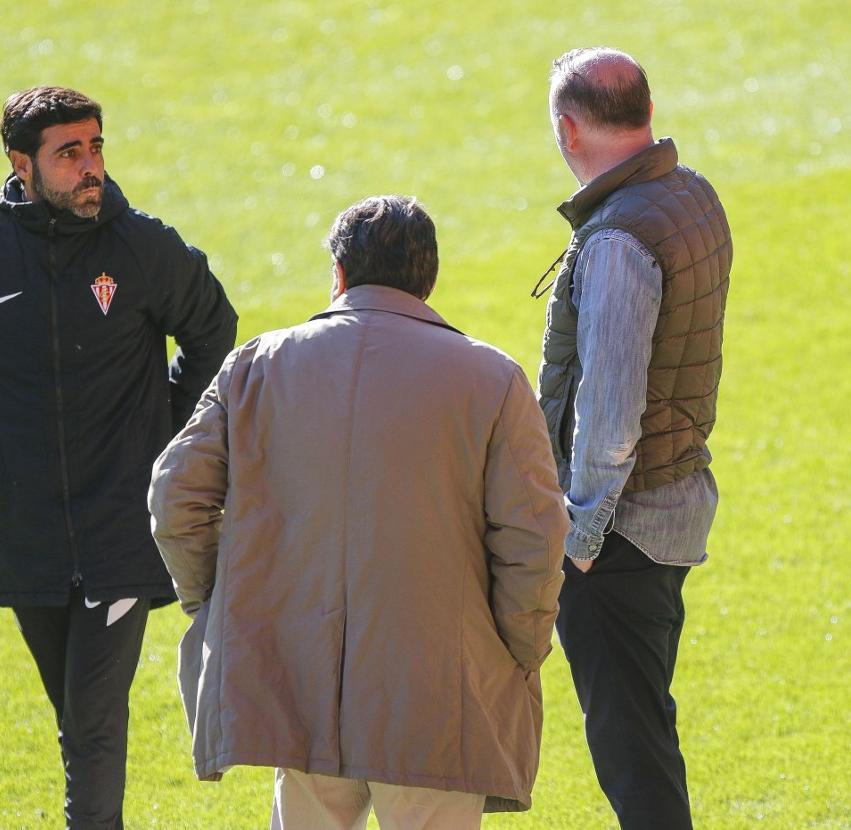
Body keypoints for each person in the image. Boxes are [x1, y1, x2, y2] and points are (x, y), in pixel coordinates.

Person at [148, 195, 568, 830]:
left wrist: (226, 601)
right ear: (428, 280)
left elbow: (174, 499)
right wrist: (515, 651)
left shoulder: (256, 366)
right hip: (439, 696)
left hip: (297, 677)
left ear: (338, 274)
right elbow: (535, 541)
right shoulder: (493, 379)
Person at [0, 86, 237, 829]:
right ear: (23, 164)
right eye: (69, 153)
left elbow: (215, 330)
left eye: (96, 147)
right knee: (75, 718)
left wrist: (171, 429)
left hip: (120, 527)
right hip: (28, 535)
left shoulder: (142, 248)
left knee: (92, 725)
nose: (91, 167)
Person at [534, 49, 732, 829]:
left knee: (633, 750)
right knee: (644, 731)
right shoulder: (691, 195)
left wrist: (578, 541)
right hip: (672, 505)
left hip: (621, 532)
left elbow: (610, 418)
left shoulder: (617, 240)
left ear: (568, 128)